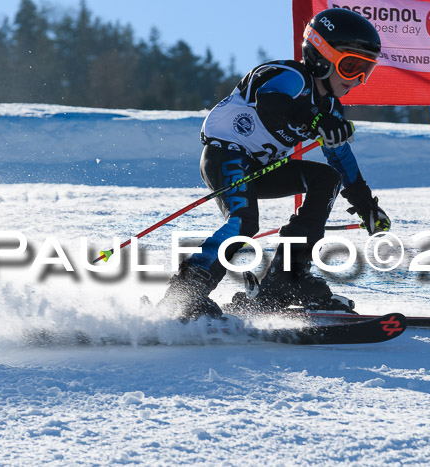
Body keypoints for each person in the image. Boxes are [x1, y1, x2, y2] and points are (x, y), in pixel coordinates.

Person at [158, 8, 391, 319]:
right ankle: (186, 295)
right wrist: (318, 120)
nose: (358, 80)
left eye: (366, 71)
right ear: (322, 56)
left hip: (261, 168)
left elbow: (341, 157)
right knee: (244, 221)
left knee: (327, 179)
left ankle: (286, 279)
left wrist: (366, 205)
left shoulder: (330, 107)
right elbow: (270, 102)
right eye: (351, 67)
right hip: (226, 154)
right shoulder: (291, 77)